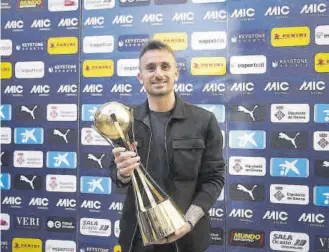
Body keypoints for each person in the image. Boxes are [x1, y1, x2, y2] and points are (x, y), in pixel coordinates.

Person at [110, 40, 225, 252]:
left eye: (165, 66)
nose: (158, 74)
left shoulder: (204, 120)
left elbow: (214, 178)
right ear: (140, 77)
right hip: (137, 239)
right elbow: (117, 176)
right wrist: (123, 173)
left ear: (176, 73)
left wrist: (188, 222)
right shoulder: (125, 122)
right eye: (150, 68)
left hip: (187, 239)